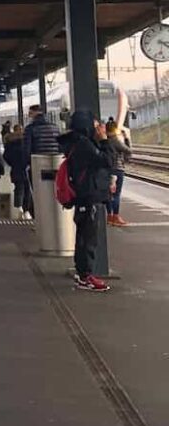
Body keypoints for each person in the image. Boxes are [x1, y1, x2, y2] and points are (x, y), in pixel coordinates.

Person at [59, 108, 113, 291]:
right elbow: (108, 160)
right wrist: (105, 140)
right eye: (95, 124)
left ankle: (83, 274)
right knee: (88, 239)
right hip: (88, 198)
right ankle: (86, 277)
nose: (99, 127)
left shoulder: (78, 143)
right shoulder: (85, 145)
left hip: (84, 197)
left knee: (84, 238)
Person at [21, 104, 60, 215]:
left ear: (34, 113)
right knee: (53, 192)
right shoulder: (55, 127)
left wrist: (26, 164)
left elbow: (26, 149)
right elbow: (60, 146)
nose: (29, 115)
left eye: (30, 113)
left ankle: (40, 218)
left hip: (37, 165)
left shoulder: (30, 129)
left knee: (38, 194)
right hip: (54, 165)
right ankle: (53, 216)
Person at [104, 118, 130, 227]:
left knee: (109, 194)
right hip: (118, 170)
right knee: (116, 194)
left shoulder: (104, 141)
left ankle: (109, 216)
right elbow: (128, 150)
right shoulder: (115, 140)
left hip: (107, 170)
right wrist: (126, 138)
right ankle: (116, 216)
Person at [2, 122, 27, 211]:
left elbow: (6, 156)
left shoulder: (10, 142)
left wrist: (13, 163)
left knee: (19, 188)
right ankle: (26, 209)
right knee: (27, 188)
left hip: (16, 168)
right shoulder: (25, 141)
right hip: (26, 167)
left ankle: (19, 207)